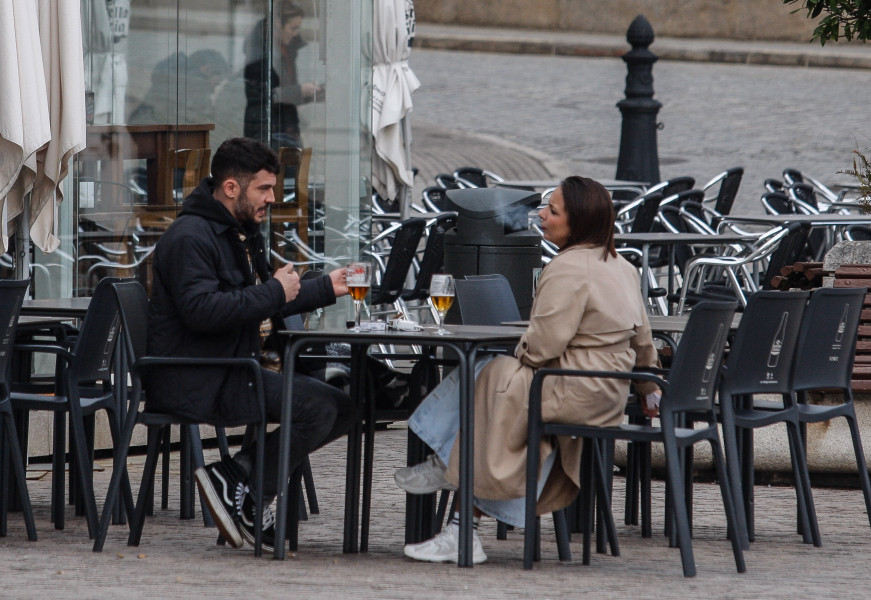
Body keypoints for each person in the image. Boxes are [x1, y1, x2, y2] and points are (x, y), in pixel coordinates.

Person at [394, 176, 661, 564]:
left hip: (572, 388)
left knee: (488, 370)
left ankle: (446, 463)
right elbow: (643, 341)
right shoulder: (622, 266)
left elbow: (542, 346)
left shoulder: (568, 267)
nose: (540, 216)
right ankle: (453, 498)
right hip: (607, 393)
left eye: (552, 211)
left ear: (578, 223)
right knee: (491, 374)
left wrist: (522, 348)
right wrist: (646, 388)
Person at [147, 137, 358, 553]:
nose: (272, 199)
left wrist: (326, 288)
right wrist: (276, 292)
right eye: (263, 189)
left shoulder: (239, 232)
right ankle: (241, 486)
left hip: (230, 370)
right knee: (321, 408)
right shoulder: (190, 237)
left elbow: (269, 295)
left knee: (346, 405)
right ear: (231, 188)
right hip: (196, 376)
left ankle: (238, 476)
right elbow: (202, 312)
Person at [243, 1, 322, 143]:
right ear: (278, 23)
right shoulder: (260, 52)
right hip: (266, 129)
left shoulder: (287, 49)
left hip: (285, 125)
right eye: (293, 28)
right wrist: (300, 91)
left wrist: (314, 93)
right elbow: (263, 95)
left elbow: (285, 93)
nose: (296, 33)